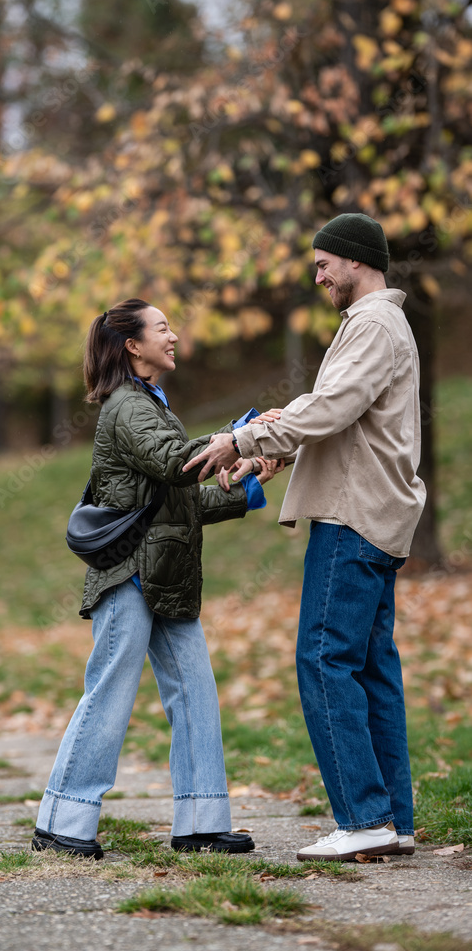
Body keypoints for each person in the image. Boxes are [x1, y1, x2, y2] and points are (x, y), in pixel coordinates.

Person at [184, 214, 426, 862]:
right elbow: (347, 422)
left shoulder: (373, 324)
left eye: (324, 263)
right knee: (371, 671)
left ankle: (363, 818)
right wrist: (274, 452)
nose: (317, 275)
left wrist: (241, 438)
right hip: (373, 513)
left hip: (352, 517)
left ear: (356, 261)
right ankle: (391, 822)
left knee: (321, 659)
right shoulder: (374, 326)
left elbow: (331, 408)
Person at [32, 298, 283, 859]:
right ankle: (61, 822)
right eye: (163, 327)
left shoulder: (151, 404)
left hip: (162, 577)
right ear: (133, 345)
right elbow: (175, 462)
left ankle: (199, 823)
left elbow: (178, 502)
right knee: (110, 694)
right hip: (130, 576)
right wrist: (240, 437)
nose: (174, 336)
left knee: (195, 693)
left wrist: (245, 482)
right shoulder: (127, 406)